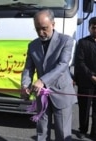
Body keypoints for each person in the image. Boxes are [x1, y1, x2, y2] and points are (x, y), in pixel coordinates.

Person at [21, 9, 77, 141]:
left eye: (44, 28)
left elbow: (63, 65)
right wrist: (24, 85)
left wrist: (42, 81)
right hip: (42, 96)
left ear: (53, 24)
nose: (41, 32)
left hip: (61, 93)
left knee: (62, 133)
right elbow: (29, 68)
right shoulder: (32, 45)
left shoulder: (66, 41)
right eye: (37, 29)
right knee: (42, 131)